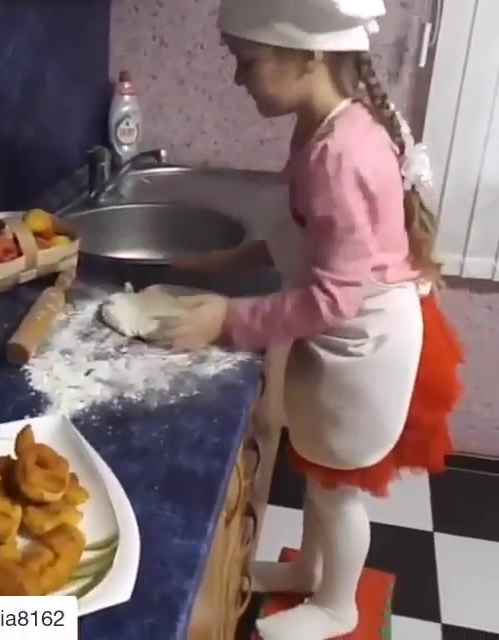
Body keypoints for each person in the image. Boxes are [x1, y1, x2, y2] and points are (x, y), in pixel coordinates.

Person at [163, 0, 464, 638]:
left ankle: (337, 604)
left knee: (339, 491)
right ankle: (309, 573)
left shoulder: (340, 156)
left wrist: (226, 319)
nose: (238, 78)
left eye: (248, 61)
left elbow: (334, 297)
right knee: (320, 473)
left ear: (308, 55)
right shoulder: (326, 127)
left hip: (364, 347)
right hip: (349, 334)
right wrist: (224, 262)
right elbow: (304, 234)